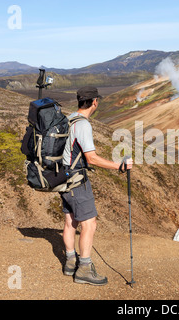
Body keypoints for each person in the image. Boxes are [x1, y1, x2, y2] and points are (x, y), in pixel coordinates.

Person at [61, 85, 133, 286]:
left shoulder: (68, 119)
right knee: (89, 223)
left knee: (70, 222)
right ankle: (84, 269)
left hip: (62, 178)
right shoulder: (83, 124)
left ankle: (70, 262)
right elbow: (91, 158)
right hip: (76, 180)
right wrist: (119, 166)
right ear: (94, 102)